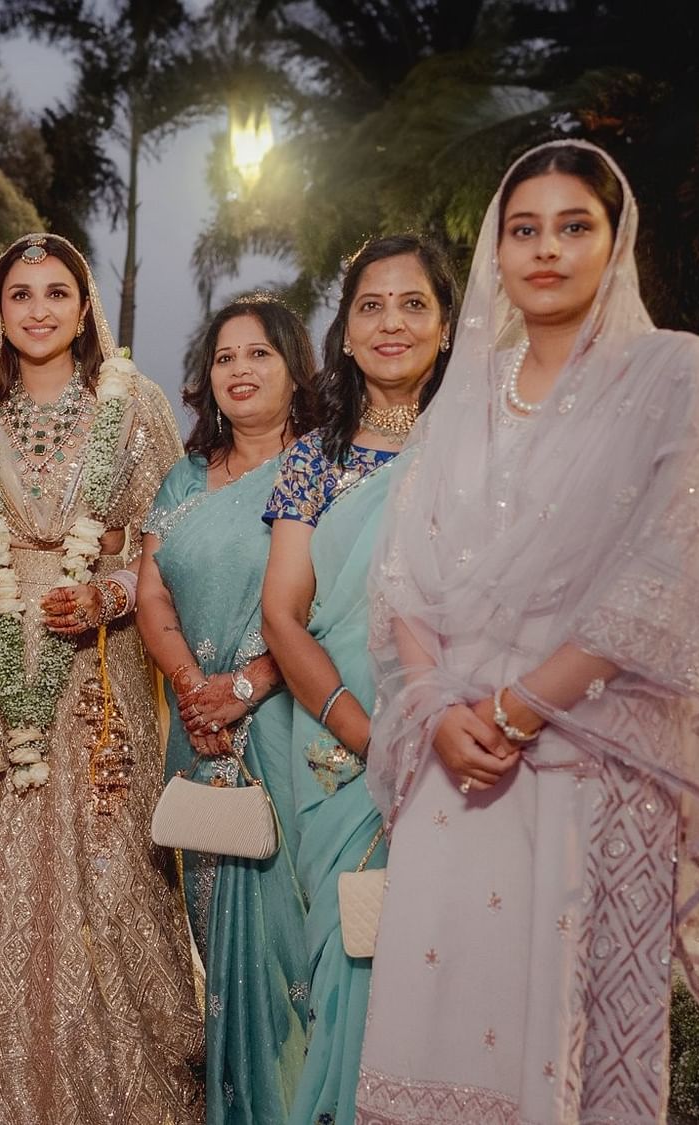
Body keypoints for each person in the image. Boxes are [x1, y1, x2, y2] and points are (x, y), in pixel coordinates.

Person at [356, 141, 699, 1124]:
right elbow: (403, 572)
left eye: (574, 227)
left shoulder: (670, 374)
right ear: (494, 249)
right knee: (435, 1037)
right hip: (454, 762)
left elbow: (666, 578)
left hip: (592, 762)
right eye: (523, 229)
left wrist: (516, 708)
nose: (545, 251)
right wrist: (437, 708)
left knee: (563, 1052)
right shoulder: (462, 400)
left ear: (616, 242)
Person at [0, 232, 199, 1123]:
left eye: (58, 292)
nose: (39, 309)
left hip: (99, 665)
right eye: (21, 293)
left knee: (109, 863)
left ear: (85, 307)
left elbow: (174, 547)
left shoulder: (136, 406)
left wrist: (110, 592)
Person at [259, 232, 458, 1125]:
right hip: (339, 756)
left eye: (413, 304)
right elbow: (282, 616)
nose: (391, 323)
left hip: (462, 746)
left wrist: (439, 731)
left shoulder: (480, 454)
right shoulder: (314, 460)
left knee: (451, 975)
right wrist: (367, 735)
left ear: (448, 327)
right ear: (342, 334)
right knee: (346, 962)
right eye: (370, 306)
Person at [138, 294, 315, 1125]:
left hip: (284, 728)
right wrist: (188, 686)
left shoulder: (320, 467)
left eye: (259, 355)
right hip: (196, 731)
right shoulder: (182, 474)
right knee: (218, 940)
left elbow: (326, 609)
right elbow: (151, 592)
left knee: (291, 942)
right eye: (224, 358)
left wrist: (245, 687)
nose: (239, 371)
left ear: (293, 368)